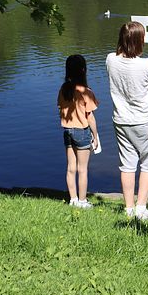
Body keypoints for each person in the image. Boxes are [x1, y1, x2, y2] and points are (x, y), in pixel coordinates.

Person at [106, 22, 148, 220]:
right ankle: (141, 207)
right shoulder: (146, 65)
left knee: (127, 165)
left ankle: (129, 208)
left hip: (121, 121)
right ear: (140, 41)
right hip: (145, 121)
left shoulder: (110, 60)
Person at [58, 55, 99, 209]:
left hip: (67, 131)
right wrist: (95, 137)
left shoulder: (64, 89)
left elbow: (60, 109)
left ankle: (73, 199)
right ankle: (82, 201)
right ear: (83, 70)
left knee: (70, 167)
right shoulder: (85, 92)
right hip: (82, 132)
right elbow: (91, 118)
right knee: (82, 169)